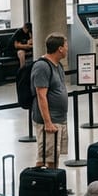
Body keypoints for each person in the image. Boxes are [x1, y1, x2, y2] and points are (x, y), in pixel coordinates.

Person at [32, 34, 69, 169]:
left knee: (54, 155)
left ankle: (54, 183)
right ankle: (45, 184)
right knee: (46, 157)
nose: (67, 49)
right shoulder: (42, 67)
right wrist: (47, 122)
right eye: (66, 46)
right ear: (59, 48)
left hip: (59, 118)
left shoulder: (58, 65)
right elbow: (41, 95)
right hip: (49, 121)